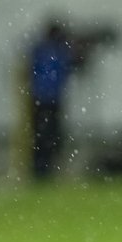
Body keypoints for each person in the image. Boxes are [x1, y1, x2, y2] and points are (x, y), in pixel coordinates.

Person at [29, 19, 75, 180]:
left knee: (46, 134)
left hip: (43, 98)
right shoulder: (55, 50)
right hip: (48, 99)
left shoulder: (43, 49)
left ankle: (43, 167)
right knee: (47, 134)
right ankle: (42, 167)